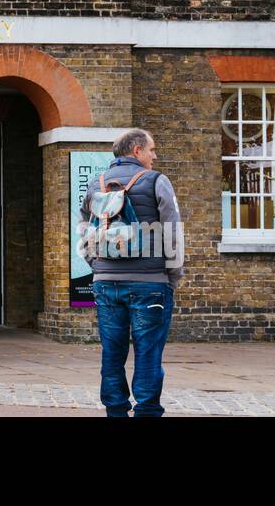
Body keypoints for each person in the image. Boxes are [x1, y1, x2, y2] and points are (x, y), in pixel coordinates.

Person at [79, 128, 184, 418]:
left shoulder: (95, 184)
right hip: (150, 282)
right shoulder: (156, 181)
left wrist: (97, 265)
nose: (155, 155)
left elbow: (82, 232)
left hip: (105, 283)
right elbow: (172, 232)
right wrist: (173, 274)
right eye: (152, 149)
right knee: (148, 351)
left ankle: (115, 411)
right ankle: (147, 412)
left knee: (112, 352)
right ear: (136, 150)